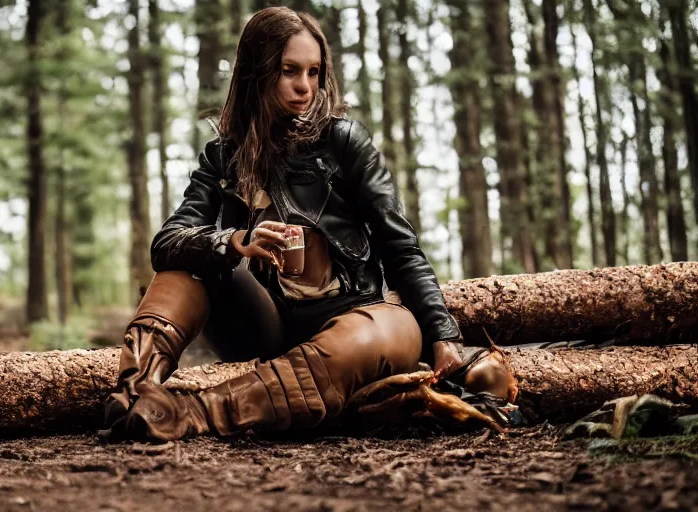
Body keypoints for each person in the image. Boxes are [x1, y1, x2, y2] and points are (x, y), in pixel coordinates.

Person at [103, 6, 514, 441]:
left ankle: (190, 413)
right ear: (258, 72)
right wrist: (236, 241)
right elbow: (167, 243)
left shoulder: (344, 141)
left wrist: (443, 334)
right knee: (186, 264)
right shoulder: (223, 156)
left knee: (390, 331)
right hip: (270, 326)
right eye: (289, 71)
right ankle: (134, 392)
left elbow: (401, 247)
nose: (305, 86)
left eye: (314, 72)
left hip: (357, 319)